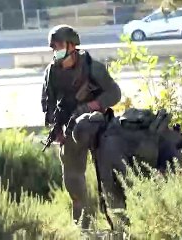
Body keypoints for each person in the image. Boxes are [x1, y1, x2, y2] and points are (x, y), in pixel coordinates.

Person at [41, 24, 122, 227]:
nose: (55, 50)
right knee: (73, 179)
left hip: (97, 129)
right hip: (69, 130)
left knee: (109, 179)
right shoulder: (51, 72)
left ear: (71, 46)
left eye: (58, 45)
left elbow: (114, 93)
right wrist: (56, 127)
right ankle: (84, 226)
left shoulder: (93, 67)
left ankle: (120, 222)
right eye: (53, 47)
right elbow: (47, 103)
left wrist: (91, 106)